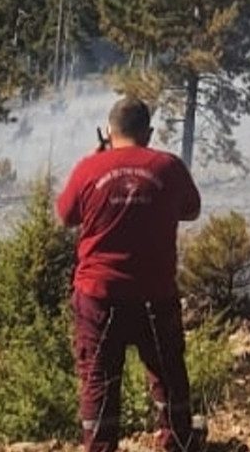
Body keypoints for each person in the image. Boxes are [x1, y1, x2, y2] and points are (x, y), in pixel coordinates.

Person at [57, 97, 204, 452]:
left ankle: (100, 447)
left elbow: (65, 215)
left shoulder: (89, 168)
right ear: (149, 133)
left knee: (99, 379)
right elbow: (192, 210)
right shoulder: (168, 167)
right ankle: (178, 442)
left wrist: (99, 163)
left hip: (99, 295)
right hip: (155, 294)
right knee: (168, 373)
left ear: (109, 132)